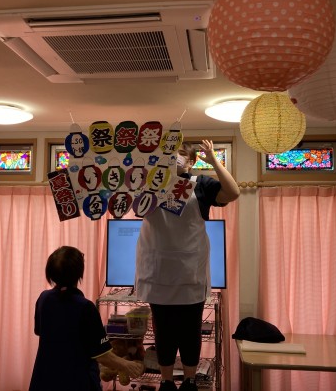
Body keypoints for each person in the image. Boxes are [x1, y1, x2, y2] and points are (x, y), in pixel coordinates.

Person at [135, 140, 240, 391]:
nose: (175, 157)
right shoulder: (149, 183)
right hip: (157, 270)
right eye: (170, 152)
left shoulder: (200, 184)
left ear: (191, 162)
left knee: (190, 330)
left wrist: (214, 161)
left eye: (181, 154)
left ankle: (190, 381)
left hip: (189, 271)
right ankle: (166, 381)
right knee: (163, 330)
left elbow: (233, 193)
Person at [29, 246, 144, 391]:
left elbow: (40, 331)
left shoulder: (44, 299)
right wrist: (128, 365)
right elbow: (102, 355)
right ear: (79, 273)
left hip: (44, 379)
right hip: (76, 381)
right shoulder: (85, 307)